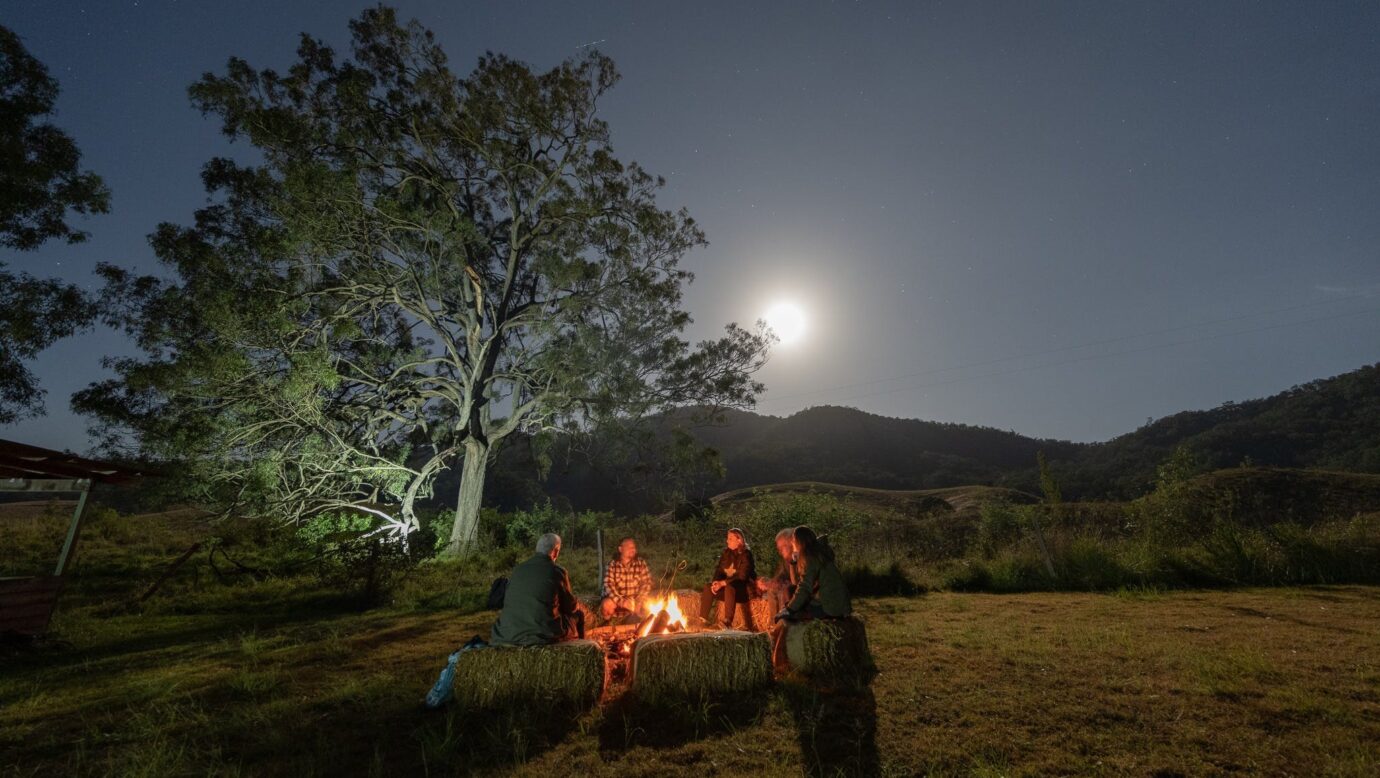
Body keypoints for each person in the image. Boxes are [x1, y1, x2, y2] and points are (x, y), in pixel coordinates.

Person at [490, 532, 585, 646]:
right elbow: (570, 607)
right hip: (541, 634)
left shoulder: (518, 569)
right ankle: (582, 648)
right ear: (555, 551)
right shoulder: (557, 571)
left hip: (506, 633)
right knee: (578, 615)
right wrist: (577, 603)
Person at [775, 525, 851, 622]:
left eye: (793, 540)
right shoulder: (819, 553)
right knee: (793, 596)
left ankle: (794, 632)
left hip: (830, 607)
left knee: (790, 606)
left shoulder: (810, 559)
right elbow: (798, 584)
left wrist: (789, 609)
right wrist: (793, 562)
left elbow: (804, 587)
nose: (792, 543)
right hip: (840, 604)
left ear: (799, 542)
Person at [698, 528, 758, 629]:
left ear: (739, 540)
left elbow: (742, 577)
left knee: (729, 587)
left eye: (730, 538)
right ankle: (703, 620)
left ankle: (727, 622)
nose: (727, 541)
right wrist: (716, 582)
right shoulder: (726, 553)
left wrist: (723, 583)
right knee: (708, 587)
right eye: (727, 538)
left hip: (742, 591)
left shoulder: (746, 554)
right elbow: (719, 570)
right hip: (727, 590)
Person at [600, 536, 653, 621]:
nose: (633, 549)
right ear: (620, 549)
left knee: (649, 603)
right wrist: (621, 602)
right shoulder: (612, 565)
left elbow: (647, 583)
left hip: (634, 600)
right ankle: (609, 623)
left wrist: (639, 600)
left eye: (634, 547)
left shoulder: (641, 563)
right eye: (629, 547)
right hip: (617, 600)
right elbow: (608, 585)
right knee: (607, 604)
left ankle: (637, 622)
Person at [756, 527, 800, 612]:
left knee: (784, 591)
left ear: (790, 544)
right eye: (778, 549)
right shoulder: (786, 560)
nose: (780, 552)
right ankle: (774, 623)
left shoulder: (799, 558)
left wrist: (771, 584)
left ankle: (784, 620)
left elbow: (796, 582)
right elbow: (781, 577)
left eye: (781, 548)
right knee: (771, 591)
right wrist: (767, 583)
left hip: (799, 590)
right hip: (791, 587)